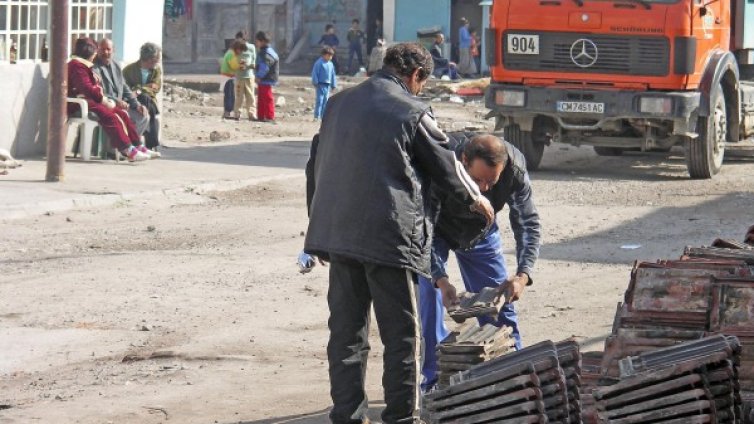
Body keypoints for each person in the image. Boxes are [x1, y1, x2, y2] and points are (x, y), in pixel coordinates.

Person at [304, 42, 494, 424]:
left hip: (338, 235)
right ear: (416, 76)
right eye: (423, 83)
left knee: (345, 333)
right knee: (401, 335)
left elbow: (315, 166)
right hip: (387, 239)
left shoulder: (338, 104)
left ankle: (347, 415)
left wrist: (318, 231)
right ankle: (401, 417)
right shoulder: (412, 110)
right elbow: (446, 164)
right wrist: (477, 201)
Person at [419, 133, 542, 392]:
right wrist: (440, 279)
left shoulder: (515, 168)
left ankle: (513, 378)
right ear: (464, 161)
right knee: (429, 302)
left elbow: (527, 223)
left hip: (480, 232)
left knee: (501, 302)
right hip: (437, 231)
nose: (484, 188)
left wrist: (522, 275)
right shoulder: (442, 160)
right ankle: (434, 383)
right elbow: (423, 226)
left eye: (491, 181)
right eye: (477, 180)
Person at [67, 37, 150, 162]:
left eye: (108, 49)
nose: (95, 55)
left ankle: (137, 145)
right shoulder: (77, 66)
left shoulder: (86, 66)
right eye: (96, 51)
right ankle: (127, 149)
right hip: (80, 103)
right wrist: (104, 100)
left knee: (122, 114)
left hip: (92, 101)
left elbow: (123, 86)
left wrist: (133, 103)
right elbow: (87, 88)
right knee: (110, 116)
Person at [92, 39, 151, 146]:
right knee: (122, 116)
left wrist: (137, 105)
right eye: (102, 49)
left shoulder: (116, 65)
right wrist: (116, 101)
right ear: (97, 50)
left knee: (143, 116)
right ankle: (120, 149)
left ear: (113, 50)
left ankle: (131, 146)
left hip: (121, 104)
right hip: (105, 105)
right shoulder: (94, 67)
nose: (105, 52)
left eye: (108, 49)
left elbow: (124, 87)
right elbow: (98, 91)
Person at [123, 42, 163, 150]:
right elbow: (127, 90)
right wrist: (143, 89)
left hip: (149, 99)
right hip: (133, 101)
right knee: (149, 106)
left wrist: (139, 89)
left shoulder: (156, 70)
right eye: (156, 59)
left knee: (146, 99)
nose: (158, 61)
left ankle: (141, 144)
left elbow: (155, 87)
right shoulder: (128, 70)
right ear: (149, 59)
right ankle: (151, 145)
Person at [254, 31, 279, 123]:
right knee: (261, 98)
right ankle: (261, 116)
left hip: (266, 79)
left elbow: (265, 67)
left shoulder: (266, 53)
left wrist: (258, 76)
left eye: (257, 41)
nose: (256, 43)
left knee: (267, 98)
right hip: (264, 80)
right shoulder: (266, 51)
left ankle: (269, 116)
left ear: (262, 41)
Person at [232, 39, 256, 121]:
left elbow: (254, 64)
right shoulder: (234, 54)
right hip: (239, 78)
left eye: (239, 49)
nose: (238, 51)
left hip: (249, 77)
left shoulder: (251, 49)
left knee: (250, 96)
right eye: (236, 49)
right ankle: (237, 114)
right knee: (239, 96)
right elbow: (231, 65)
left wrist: (247, 65)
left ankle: (251, 114)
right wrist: (238, 66)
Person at [311, 46, 337, 121]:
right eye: (329, 55)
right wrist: (315, 82)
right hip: (320, 84)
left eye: (331, 56)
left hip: (327, 85)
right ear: (324, 55)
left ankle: (323, 116)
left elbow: (332, 74)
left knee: (325, 100)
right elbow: (314, 73)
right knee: (319, 100)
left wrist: (333, 84)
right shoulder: (319, 63)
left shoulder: (331, 64)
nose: (330, 57)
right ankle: (316, 116)